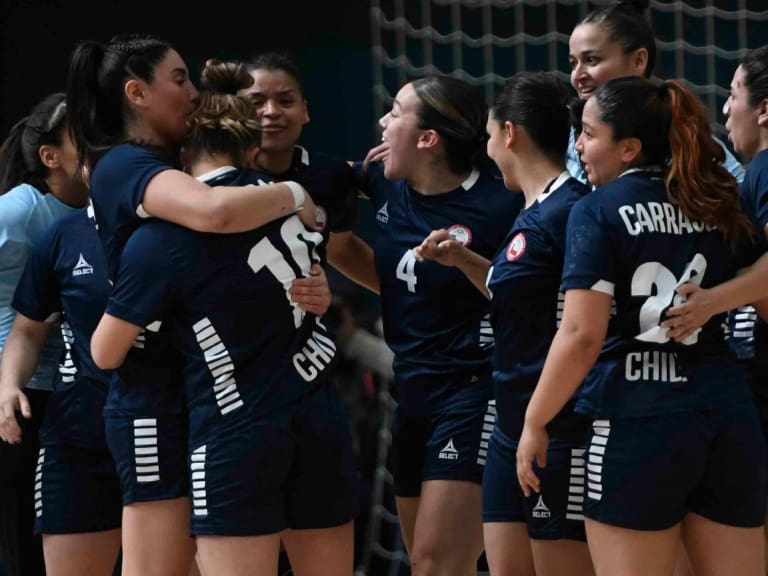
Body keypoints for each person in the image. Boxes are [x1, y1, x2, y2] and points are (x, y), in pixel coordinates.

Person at [64, 34, 325, 576]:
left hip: (200, 391)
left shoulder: (172, 160)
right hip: (149, 399)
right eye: (179, 79)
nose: (193, 92)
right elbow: (212, 213)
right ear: (137, 93)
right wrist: (294, 195)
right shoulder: (121, 164)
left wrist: (310, 290)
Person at [516, 76, 766, 576]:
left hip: (635, 420)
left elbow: (581, 335)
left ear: (629, 148)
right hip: (726, 414)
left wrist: (534, 420)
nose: (578, 147)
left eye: (587, 134)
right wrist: (718, 300)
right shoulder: (714, 199)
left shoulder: (596, 210)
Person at [334, 74, 524, 575]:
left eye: (395, 111)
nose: (382, 121)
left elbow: (523, 294)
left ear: (428, 139)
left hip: (475, 390)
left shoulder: (502, 201)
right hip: (413, 390)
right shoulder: (383, 180)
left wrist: (463, 261)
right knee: (429, 565)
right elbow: (337, 238)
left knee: (438, 563)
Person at [413, 71, 593, 576]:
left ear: (509, 134)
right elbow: (519, 295)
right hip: (509, 421)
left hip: (557, 424)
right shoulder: (532, 209)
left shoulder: (573, 210)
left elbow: (581, 321)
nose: (488, 149)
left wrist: (542, 420)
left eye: (490, 136)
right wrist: (465, 261)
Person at [661, 44, 768, 572]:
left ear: (764, 109)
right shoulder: (750, 176)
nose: (725, 109)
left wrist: (709, 303)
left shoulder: (767, 168)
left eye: (733, 95)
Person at [0, 210, 121, 576]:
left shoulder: (174, 229)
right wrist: (8, 386)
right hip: (76, 432)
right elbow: (29, 329)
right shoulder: (65, 235)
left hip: (166, 430)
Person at [0, 92, 87, 576]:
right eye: (84, 137)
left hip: (71, 394)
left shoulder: (102, 207)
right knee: (25, 546)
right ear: (50, 157)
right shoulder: (17, 211)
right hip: (18, 401)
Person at [239, 51, 379, 295]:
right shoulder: (213, 175)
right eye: (256, 103)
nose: (271, 111)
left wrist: (408, 299)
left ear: (305, 111)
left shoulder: (331, 176)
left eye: (285, 101)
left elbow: (340, 248)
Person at [565, 0, 745, 185]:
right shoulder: (567, 139)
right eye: (573, 64)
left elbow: (745, 196)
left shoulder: (685, 136)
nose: (577, 75)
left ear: (638, 61)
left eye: (591, 60)